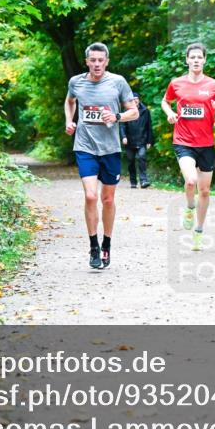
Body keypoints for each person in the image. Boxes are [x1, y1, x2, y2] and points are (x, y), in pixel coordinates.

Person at [65, 42, 138, 269]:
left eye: (100, 60)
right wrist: (69, 120)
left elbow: (134, 112)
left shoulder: (118, 82)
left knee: (107, 199)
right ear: (87, 61)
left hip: (110, 149)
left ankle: (106, 243)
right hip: (85, 146)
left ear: (106, 61)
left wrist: (116, 117)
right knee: (90, 196)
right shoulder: (76, 82)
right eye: (93, 60)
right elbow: (70, 102)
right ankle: (93, 246)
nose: (97, 64)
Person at [160, 42, 215, 251]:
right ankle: (190, 207)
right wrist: (170, 113)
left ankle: (199, 230)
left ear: (204, 60)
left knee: (205, 191)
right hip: (183, 141)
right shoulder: (176, 83)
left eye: (199, 57)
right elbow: (165, 101)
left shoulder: (214, 85)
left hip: (206, 144)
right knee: (190, 181)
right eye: (192, 57)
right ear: (187, 60)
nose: (196, 61)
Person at [120, 93, 153, 188]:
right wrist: (123, 137)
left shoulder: (145, 111)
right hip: (129, 141)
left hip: (142, 140)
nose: (135, 100)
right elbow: (122, 125)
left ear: (139, 100)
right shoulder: (126, 111)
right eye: (132, 99)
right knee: (131, 161)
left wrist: (149, 141)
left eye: (136, 98)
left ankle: (143, 181)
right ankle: (133, 182)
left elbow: (149, 126)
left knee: (141, 157)